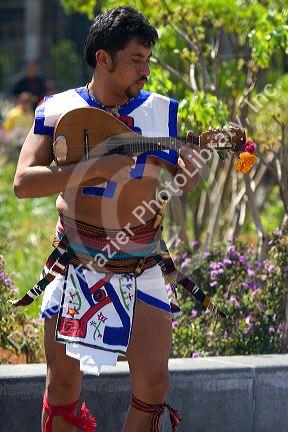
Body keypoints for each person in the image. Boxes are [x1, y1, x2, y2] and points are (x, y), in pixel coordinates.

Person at [13, 7, 200, 432]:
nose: (147, 71)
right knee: (62, 386)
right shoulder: (57, 108)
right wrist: (91, 170)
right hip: (77, 261)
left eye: (149, 60)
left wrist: (189, 171)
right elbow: (23, 182)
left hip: (142, 260)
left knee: (154, 384)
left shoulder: (160, 113)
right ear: (103, 58)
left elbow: (181, 176)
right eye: (137, 59)